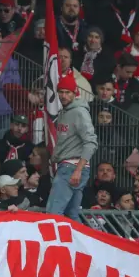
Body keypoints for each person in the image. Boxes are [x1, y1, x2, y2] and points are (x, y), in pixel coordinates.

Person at [47, 72, 98, 221]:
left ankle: (56, 244)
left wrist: (78, 170)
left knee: (53, 213)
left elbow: (91, 142)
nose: (63, 96)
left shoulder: (79, 112)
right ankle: (82, 244)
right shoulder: (67, 111)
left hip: (71, 168)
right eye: (61, 92)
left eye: (67, 92)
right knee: (72, 214)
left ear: (74, 93)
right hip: (72, 167)